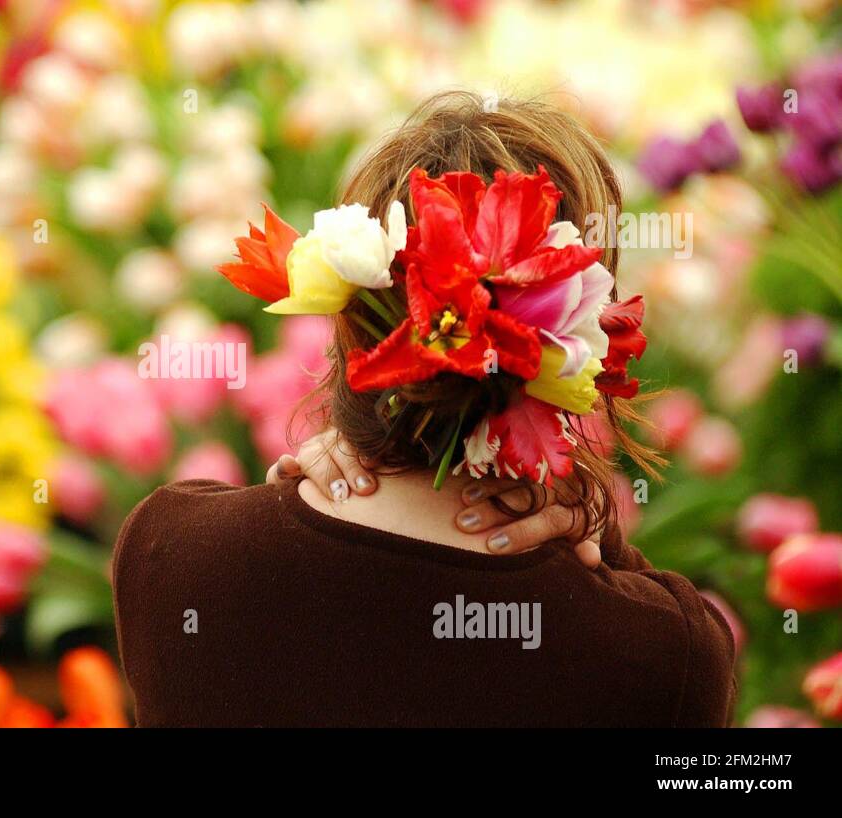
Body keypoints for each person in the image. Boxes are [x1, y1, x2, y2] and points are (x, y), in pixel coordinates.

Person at [112, 91, 737, 727]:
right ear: (575, 337)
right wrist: (592, 525)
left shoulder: (172, 553)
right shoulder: (659, 651)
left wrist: (321, 463)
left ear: (351, 314)